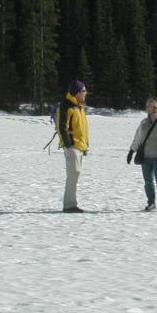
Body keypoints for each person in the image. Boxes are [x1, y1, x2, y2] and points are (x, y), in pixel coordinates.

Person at [126, 97, 157, 211]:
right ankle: (151, 203)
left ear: (156, 107)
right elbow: (138, 137)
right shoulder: (143, 122)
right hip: (145, 158)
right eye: (146, 106)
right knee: (148, 182)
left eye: (149, 106)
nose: (147, 108)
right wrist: (132, 151)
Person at [56, 80, 89, 213]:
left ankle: (70, 203)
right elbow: (61, 127)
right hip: (72, 146)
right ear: (76, 93)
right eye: (83, 91)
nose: (85, 93)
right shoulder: (66, 107)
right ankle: (69, 205)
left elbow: (83, 128)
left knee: (75, 174)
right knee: (73, 174)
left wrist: (86, 144)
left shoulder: (79, 107)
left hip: (80, 146)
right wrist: (68, 144)